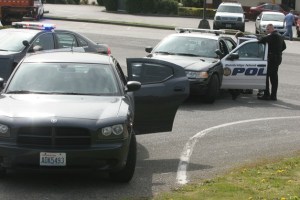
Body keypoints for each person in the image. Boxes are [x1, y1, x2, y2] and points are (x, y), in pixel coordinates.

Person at [258, 24, 286, 101]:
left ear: (270, 29)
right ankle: (273, 96)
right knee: (274, 78)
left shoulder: (273, 36)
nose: (266, 31)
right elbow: (284, 47)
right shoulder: (279, 35)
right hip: (278, 59)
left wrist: (273, 52)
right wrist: (278, 51)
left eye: (267, 29)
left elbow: (261, 40)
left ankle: (266, 94)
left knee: (265, 76)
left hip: (272, 59)